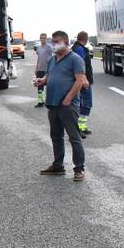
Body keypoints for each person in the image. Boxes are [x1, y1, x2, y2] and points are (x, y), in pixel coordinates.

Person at [33, 30, 86, 182]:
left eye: (56, 42)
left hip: (67, 105)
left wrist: (68, 98)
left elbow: (79, 81)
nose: (53, 44)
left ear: (66, 42)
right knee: (56, 136)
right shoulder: (52, 60)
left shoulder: (75, 59)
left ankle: (79, 169)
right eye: (53, 41)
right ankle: (58, 166)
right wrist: (42, 81)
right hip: (53, 103)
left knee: (74, 137)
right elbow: (49, 76)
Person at [72, 31, 94, 137]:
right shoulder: (80, 49)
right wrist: (84, 79)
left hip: (80, 80)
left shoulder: (76, 48)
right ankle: (79, 129)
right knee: (85, 103)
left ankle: (82, 127)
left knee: (84, 104)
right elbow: (81, 65)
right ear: (86, 39)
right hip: (83, 81)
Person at [34, 33, 52, 107]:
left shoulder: (49, 47)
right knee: (40, 86)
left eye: (44, 38)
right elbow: (39, 59)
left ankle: (49, 102)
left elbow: (52, 58)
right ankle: (40, 101)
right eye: (41, 38)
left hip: (47, 70)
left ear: (46, 38)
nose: (42, 39)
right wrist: (36, 68)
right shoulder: (38, 48)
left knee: (49, 86)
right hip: (40, 70)